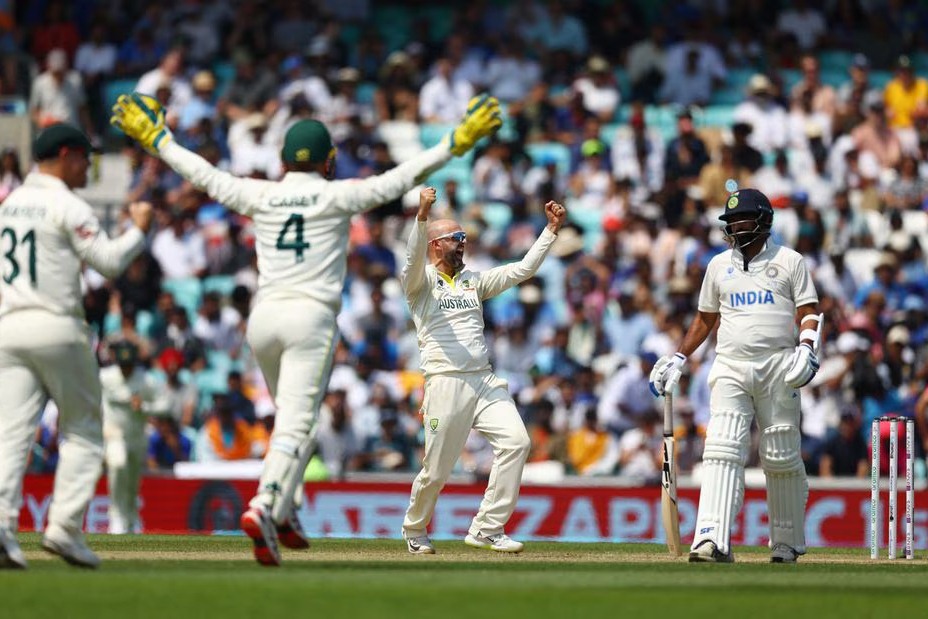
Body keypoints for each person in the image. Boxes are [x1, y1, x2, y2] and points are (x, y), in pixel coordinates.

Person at [111, 91, 501, 566]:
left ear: (282, 159)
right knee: (295, 423)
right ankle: (264, 504)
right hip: (309, 319)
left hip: (263, 320)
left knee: (297, 421)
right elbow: (401, 178)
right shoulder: (338, 194)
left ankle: (288, 511)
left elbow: (204, 176)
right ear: (329, 160)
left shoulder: (262, 193)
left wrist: (158, 139)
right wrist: (454, 143)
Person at [0, 123, 152, 569]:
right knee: (85, 429)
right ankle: (65, 529)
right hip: (56, 325)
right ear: (66, 154)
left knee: (10, 434)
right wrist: (139, 230)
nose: (89, 168)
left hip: (8, 328)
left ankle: (2, 527)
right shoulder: (66, 204)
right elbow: (108, 262)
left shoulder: (8, 206)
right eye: (87, 159)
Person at [649, 188, 822, 564]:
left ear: (763, 221)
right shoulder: (718, 265)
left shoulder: (790, 261)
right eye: (730, 223)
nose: (734, 228)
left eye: (741, 220)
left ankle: (786, 542)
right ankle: (711, 539)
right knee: (721, 447)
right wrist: (679, 356)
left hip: (779, 365)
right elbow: (705, 318)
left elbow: (808, 310)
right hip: (729, 363)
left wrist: (808, 347)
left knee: (780, 454)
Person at [400, 187, 566, 555]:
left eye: (465, 238)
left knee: (517, 443)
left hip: (484, 380)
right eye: (456, 238)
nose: (463, 243)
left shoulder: (473, 281)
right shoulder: (420, 284)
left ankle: (487, 528)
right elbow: (411, 260)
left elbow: (522, 270)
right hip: (446, 383)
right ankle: (414, 528)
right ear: (436, 245)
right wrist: (422, 216)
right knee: (437, 471)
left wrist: (550, 231)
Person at [100, 340, 168, 534]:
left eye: (129, 366)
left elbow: (165, 405)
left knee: (132, 479)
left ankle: (131, 518)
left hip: (137, 436)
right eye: (123, 365)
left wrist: (145, 407)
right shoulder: (105, 377)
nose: (126, 370)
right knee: (118, 464)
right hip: (113, 434)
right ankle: (116, 516)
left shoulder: (146, 380)